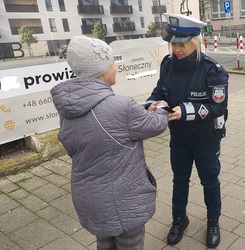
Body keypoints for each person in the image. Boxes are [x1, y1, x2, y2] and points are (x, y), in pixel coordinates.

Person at [50, 35, 169, 250]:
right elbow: (155, 125)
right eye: (113, 63)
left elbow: (79, 143)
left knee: (105, 245)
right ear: (102, 69)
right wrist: (161, 109)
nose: (115, 68)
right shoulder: (121, 106)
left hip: (91, 201)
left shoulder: (68, 110)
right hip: (125, 201)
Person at [144, 13, 229, 248]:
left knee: (209, 181)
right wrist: (152, 102)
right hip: (179, 137)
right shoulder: (168, 64)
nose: (177, 48)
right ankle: (179, 219)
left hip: (206, 138)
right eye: (173, 43)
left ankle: (213, 221)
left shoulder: (213, 70)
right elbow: (160, 90)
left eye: (182, 43)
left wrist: (186, 110)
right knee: (179, 180)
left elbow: (218, 106)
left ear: (196, 41)